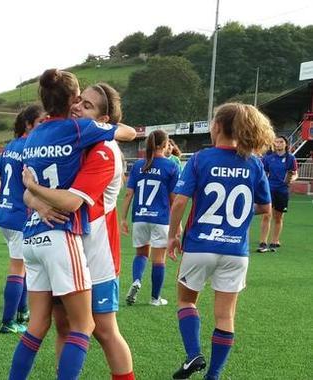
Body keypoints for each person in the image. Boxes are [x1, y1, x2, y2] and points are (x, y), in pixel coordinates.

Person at [8, 69, 136, 380]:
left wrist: (36, 194)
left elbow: (71, 202)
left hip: (95, 250)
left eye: (88, 106)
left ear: (103, 119)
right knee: (63, 325)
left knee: (104, 331)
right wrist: (37, 200)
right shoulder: (72, 137)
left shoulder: (102, 149)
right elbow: (27, 191)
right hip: (63, 242)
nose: (79, 107)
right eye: (79, 102)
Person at [167, 103, 274, 379]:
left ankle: (193, 355)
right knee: (225, 316)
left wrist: (172, 235)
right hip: (236, 251)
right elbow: (265, 209)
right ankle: (212, 376)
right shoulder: (254, 163)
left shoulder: (201, 158)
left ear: (216, 127)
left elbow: (179, 201)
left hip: (200, 245)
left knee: (186, 302)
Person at [0, 105, 44, 334]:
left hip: (5, 214)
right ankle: (8, 321)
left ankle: (22, 312)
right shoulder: (32, 148)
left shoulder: (11, 146)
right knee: (18, 267)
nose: (44, 125)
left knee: (25, 265)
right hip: (21, 217)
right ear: (29, 124)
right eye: (40, 122)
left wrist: (2, 198)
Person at [120, 130, 180, 306]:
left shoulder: (139, 165)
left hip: (139, 217)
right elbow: (173, 199)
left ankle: (137, 280)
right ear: (164, 145)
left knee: (141, 254)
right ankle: (155, 299)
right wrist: (179, 224)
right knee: (159, 259)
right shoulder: (171, 166)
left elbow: (128, 194)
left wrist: (123, 218)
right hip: (160, 219)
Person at [257, 135, 297, 253]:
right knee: (266, 215)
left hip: (282, 191)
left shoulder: (291, 158)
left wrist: (292, 179)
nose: (278, 144)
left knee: (278, 217)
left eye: (280, 142)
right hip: (269, 189)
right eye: (276, 142)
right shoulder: (268, 158)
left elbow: (294, 173)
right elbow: (263, 173)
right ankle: (263, 242)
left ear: (285, 144)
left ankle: (274, 241)